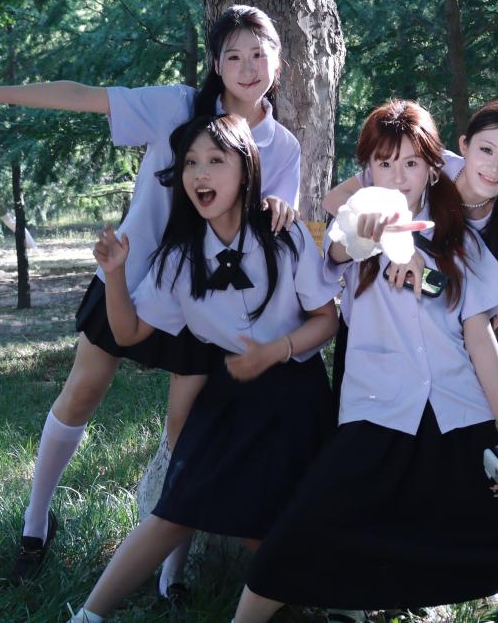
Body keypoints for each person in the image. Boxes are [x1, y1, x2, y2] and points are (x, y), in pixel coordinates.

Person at [0, 6, 300, 590]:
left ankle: (172, 573)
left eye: (259, 54)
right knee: (83, 391)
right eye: (234, 56)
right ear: (217, 66)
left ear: (279, 60)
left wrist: (282, 209)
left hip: (202, 301)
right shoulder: (177, 107)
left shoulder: (283, 145)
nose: (248, 68)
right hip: (128, 273)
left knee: (183, 427)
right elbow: (82, 95)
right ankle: (35, 524)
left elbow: (270, 229)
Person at [232, 100, 498, 621]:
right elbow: (335, 255)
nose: (397, 175)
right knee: (302, 529)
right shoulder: (359, 219)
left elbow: (480, 336)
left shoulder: (465, 242)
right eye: (384, 163)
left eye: (410, 163)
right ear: (368, 170)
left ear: (434, 168)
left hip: (460, 405)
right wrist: (371, 241)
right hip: (378, 410)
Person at [65, 114, 339, 623]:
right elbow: (128, 332)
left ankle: (330, 602)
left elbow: (327, 319)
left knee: (273, 522)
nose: (200, 174)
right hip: (228, 390)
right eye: (191, 163)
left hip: (294, 394)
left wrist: (275, 350)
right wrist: (115, 274)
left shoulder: (287, 237)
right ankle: (87, 616)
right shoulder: (179, 258)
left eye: (216, 160)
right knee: (176, 509)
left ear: (247, 169)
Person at [323, 99, 498, 303]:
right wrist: (395, 240)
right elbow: (334, 199)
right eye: (487, 150)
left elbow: (486, 319)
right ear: (464, 145)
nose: (494, 167)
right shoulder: (423, 165)